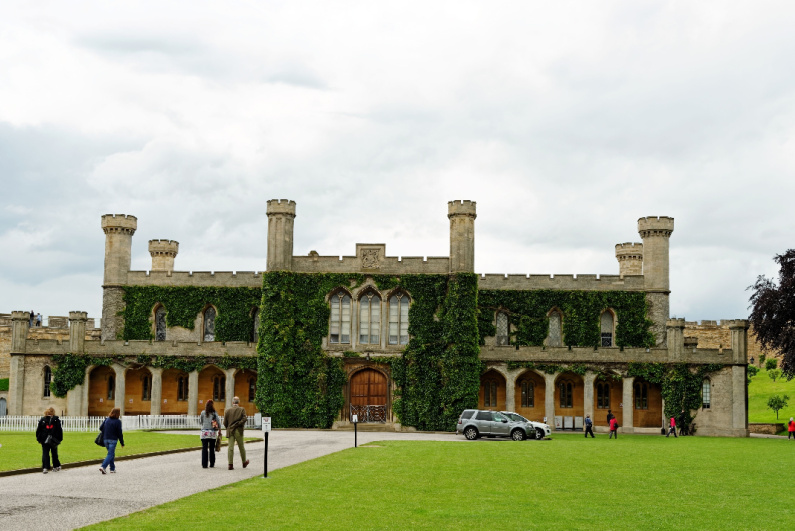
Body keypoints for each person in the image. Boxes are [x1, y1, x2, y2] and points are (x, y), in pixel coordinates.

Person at [223, 396, 249, 470]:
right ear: (239, 402)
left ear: (232, 402)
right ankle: (244, 462)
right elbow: (245, 419)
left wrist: (228, 427)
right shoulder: (242, 409)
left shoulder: (227, 411)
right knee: (241, 447)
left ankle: (230, 464)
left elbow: (225, 422)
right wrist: (238, 424)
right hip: (238, 430)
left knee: (230, 447)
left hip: (230, 430)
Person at [36, 407, 63, 474]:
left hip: (44, 439)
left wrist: (39, 439)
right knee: (54, 453)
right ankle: (56, 466)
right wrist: (59, 439)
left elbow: (38, 431)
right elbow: (59, 430)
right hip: (53, 439)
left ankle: (45, 467)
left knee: (45, 453)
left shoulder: (43, 420)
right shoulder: (56, 420)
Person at [99, 408, 125, 474]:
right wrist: (122, 442)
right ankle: (103, 466)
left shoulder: (106, 420)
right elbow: (120, 433)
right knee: (110, 454)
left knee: (111, 454)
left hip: (105, 439)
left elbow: (100, 428)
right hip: (113, 440)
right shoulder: (118, 422)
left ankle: (112, 469)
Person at [200, 399, 221, 468]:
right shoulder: (214, 413)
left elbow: (201, 421)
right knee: (212, 448)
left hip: (204, 433)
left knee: (204, 448)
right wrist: (220, 430)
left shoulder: (203, 413)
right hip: (212, 433)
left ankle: (204, 464)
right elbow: (218, 421)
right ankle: (212, 463)